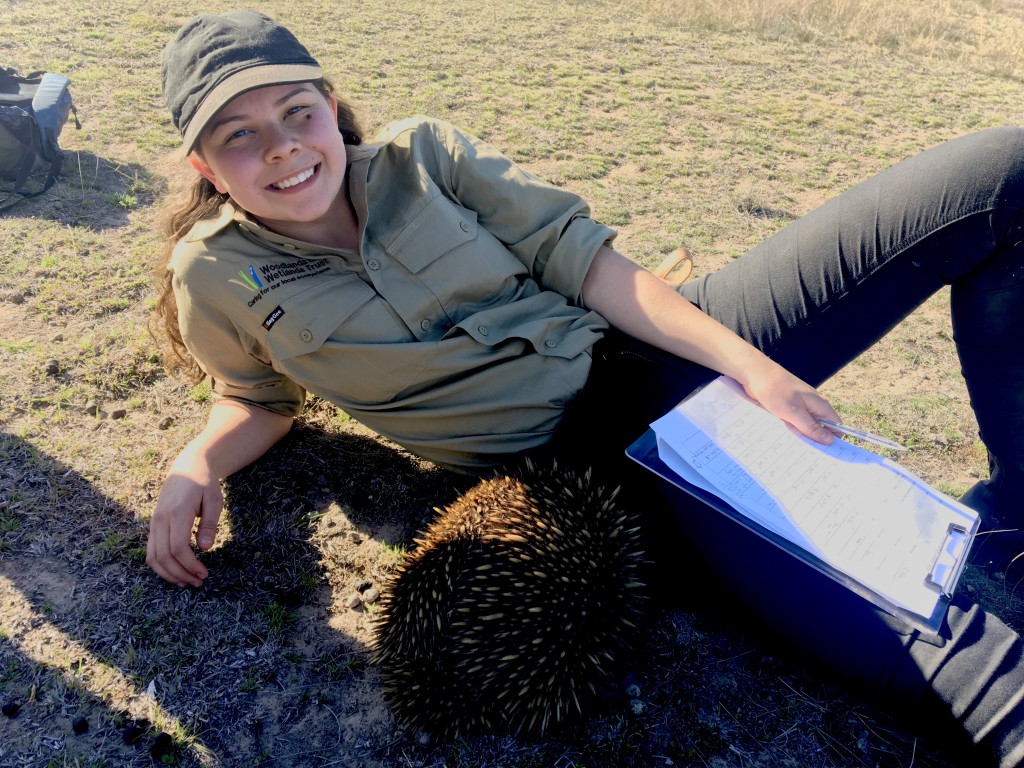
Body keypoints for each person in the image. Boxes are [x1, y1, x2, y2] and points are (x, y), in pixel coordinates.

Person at [148, 9, 1024, 765]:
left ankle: (1015, 512)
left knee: (998, 177)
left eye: (295, 112)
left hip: (660, 337)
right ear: (202, 166)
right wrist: (199, 462)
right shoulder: (217, 276)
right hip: (601, 469)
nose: (282, 148)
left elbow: (591, 268)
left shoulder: (424, 155)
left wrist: (748, 364)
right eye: (238, 135)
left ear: (330, 107)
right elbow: (259, 397)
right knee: (978, 678)